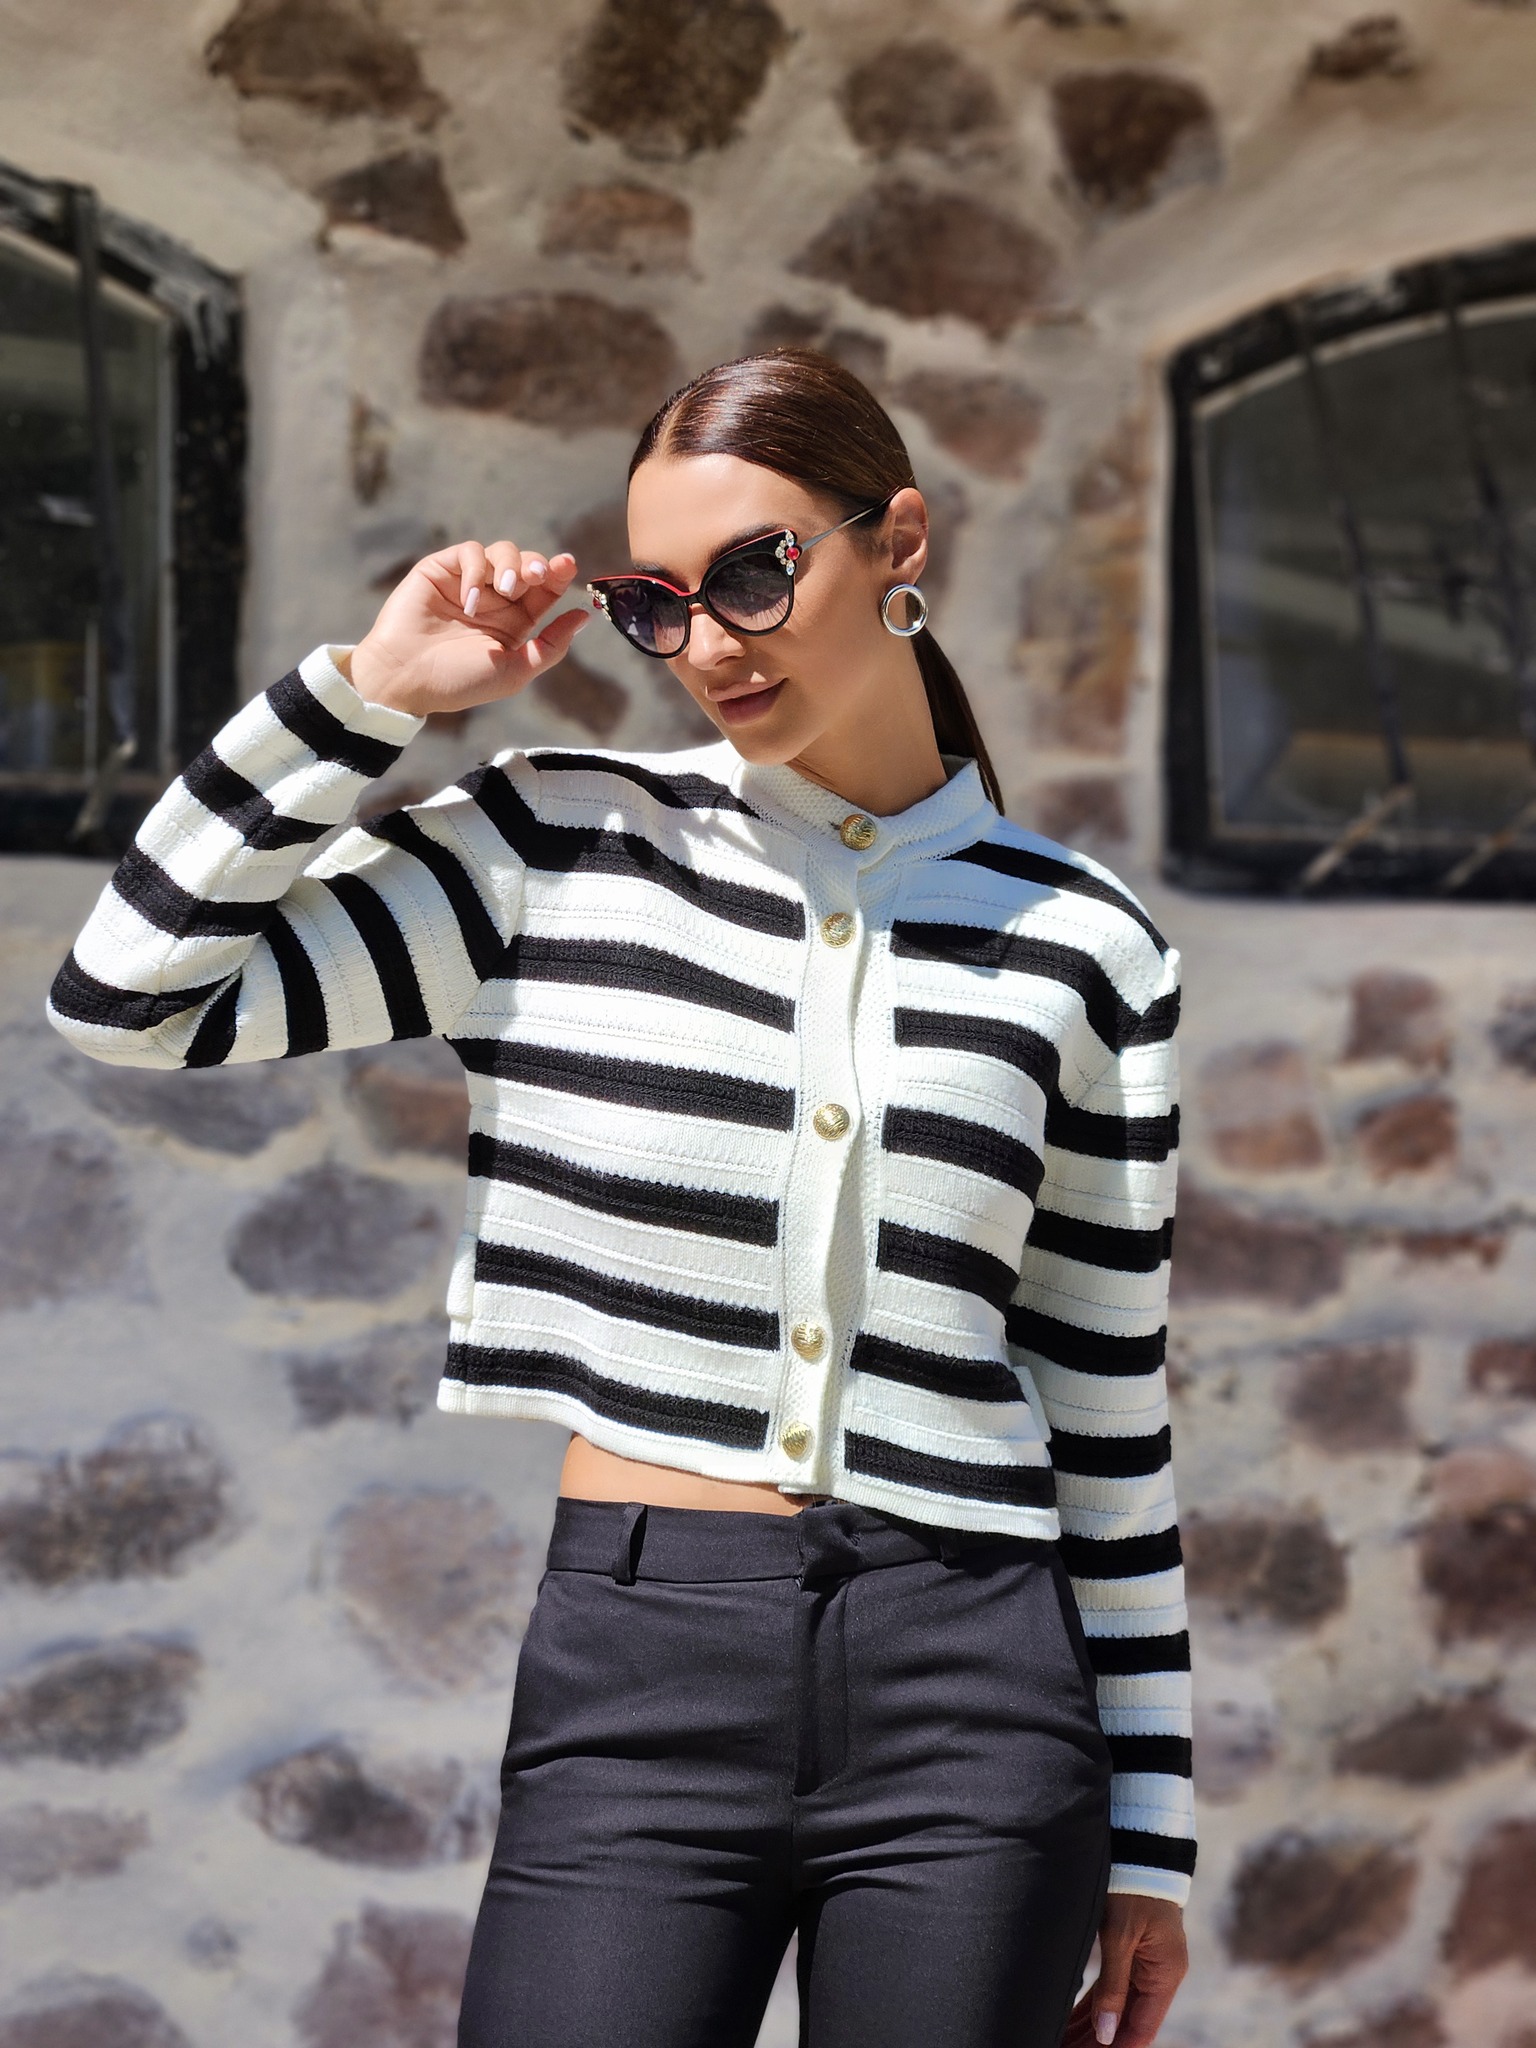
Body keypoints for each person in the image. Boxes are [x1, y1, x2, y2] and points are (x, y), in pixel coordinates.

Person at [46, 350, 1193, 2048]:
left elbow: (1104, 1407)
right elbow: (129, 996)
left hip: (980, 1682)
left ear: (898, 541)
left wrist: (1152, 1833)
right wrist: (372, 689)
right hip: (641, 1661)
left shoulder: (1086, 940)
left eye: (755, 571)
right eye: (661, 600)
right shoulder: (554, 848)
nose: (711, 641)